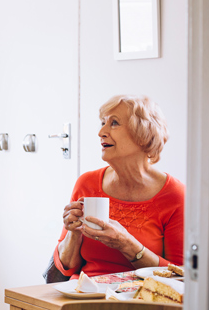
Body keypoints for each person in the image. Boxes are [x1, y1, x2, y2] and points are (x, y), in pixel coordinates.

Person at [53, 95, 184, 280]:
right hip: (85, 295)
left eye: (114, 123)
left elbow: (179, 276)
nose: (101, 132)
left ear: (143, 134)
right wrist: (73, 233)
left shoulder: (175, 196)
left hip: (141, 299)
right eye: (102, 123)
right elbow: (66, 267)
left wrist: (126, 244)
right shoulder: (87, 183)